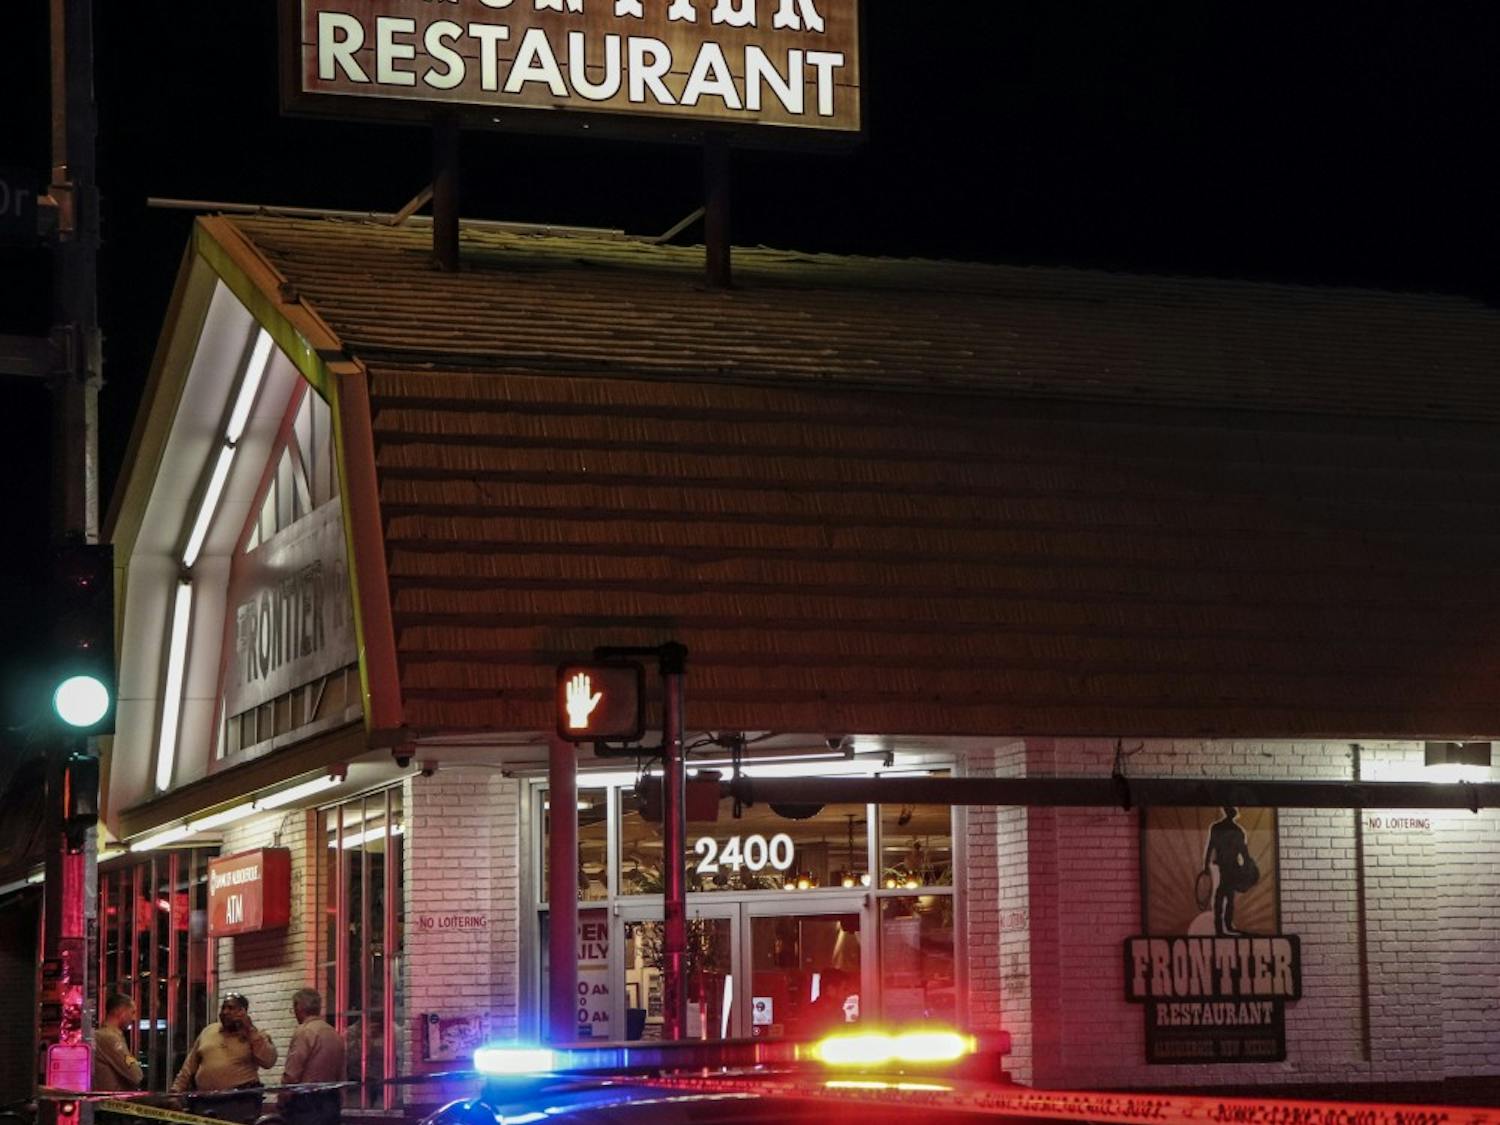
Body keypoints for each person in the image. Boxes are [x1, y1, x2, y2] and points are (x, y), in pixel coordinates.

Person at [170, 993, 277, 1124]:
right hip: (205, 1102)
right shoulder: (209, 1031)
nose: (225, 1012)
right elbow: (189, 1066)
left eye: (231, 1008)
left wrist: (249, 1029)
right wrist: (175, 1092)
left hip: (239, 1102)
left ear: (242, 1011)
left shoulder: (255, 1036)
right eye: (223, 1008)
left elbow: (269, 1061)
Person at [280, 989, 345, 1125]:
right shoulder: (334, 1033)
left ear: (299, 1007)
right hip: (331, 1101)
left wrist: (283, 1098)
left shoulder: (304, 1032)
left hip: (306, 1104)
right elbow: (341, 1073)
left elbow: (293, 1073)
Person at [1202, 806, 1256, 936]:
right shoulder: (1237, 831)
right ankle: (1223, 926)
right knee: (1226, 895)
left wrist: (1205, 866)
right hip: (1230, 867)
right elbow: (1244, 853)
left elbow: (1211, 847)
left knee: (1224, 895)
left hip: (1226, 867)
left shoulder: (1217, 828)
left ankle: (1222, 926)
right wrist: (1248, 867)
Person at [94, 992, 144, 1091]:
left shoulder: (108, 1036)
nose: (133, 1018)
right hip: (111, 1102)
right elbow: (135, 1074)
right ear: (121, 1012)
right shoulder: (109, 1038)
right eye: (132, 1012)